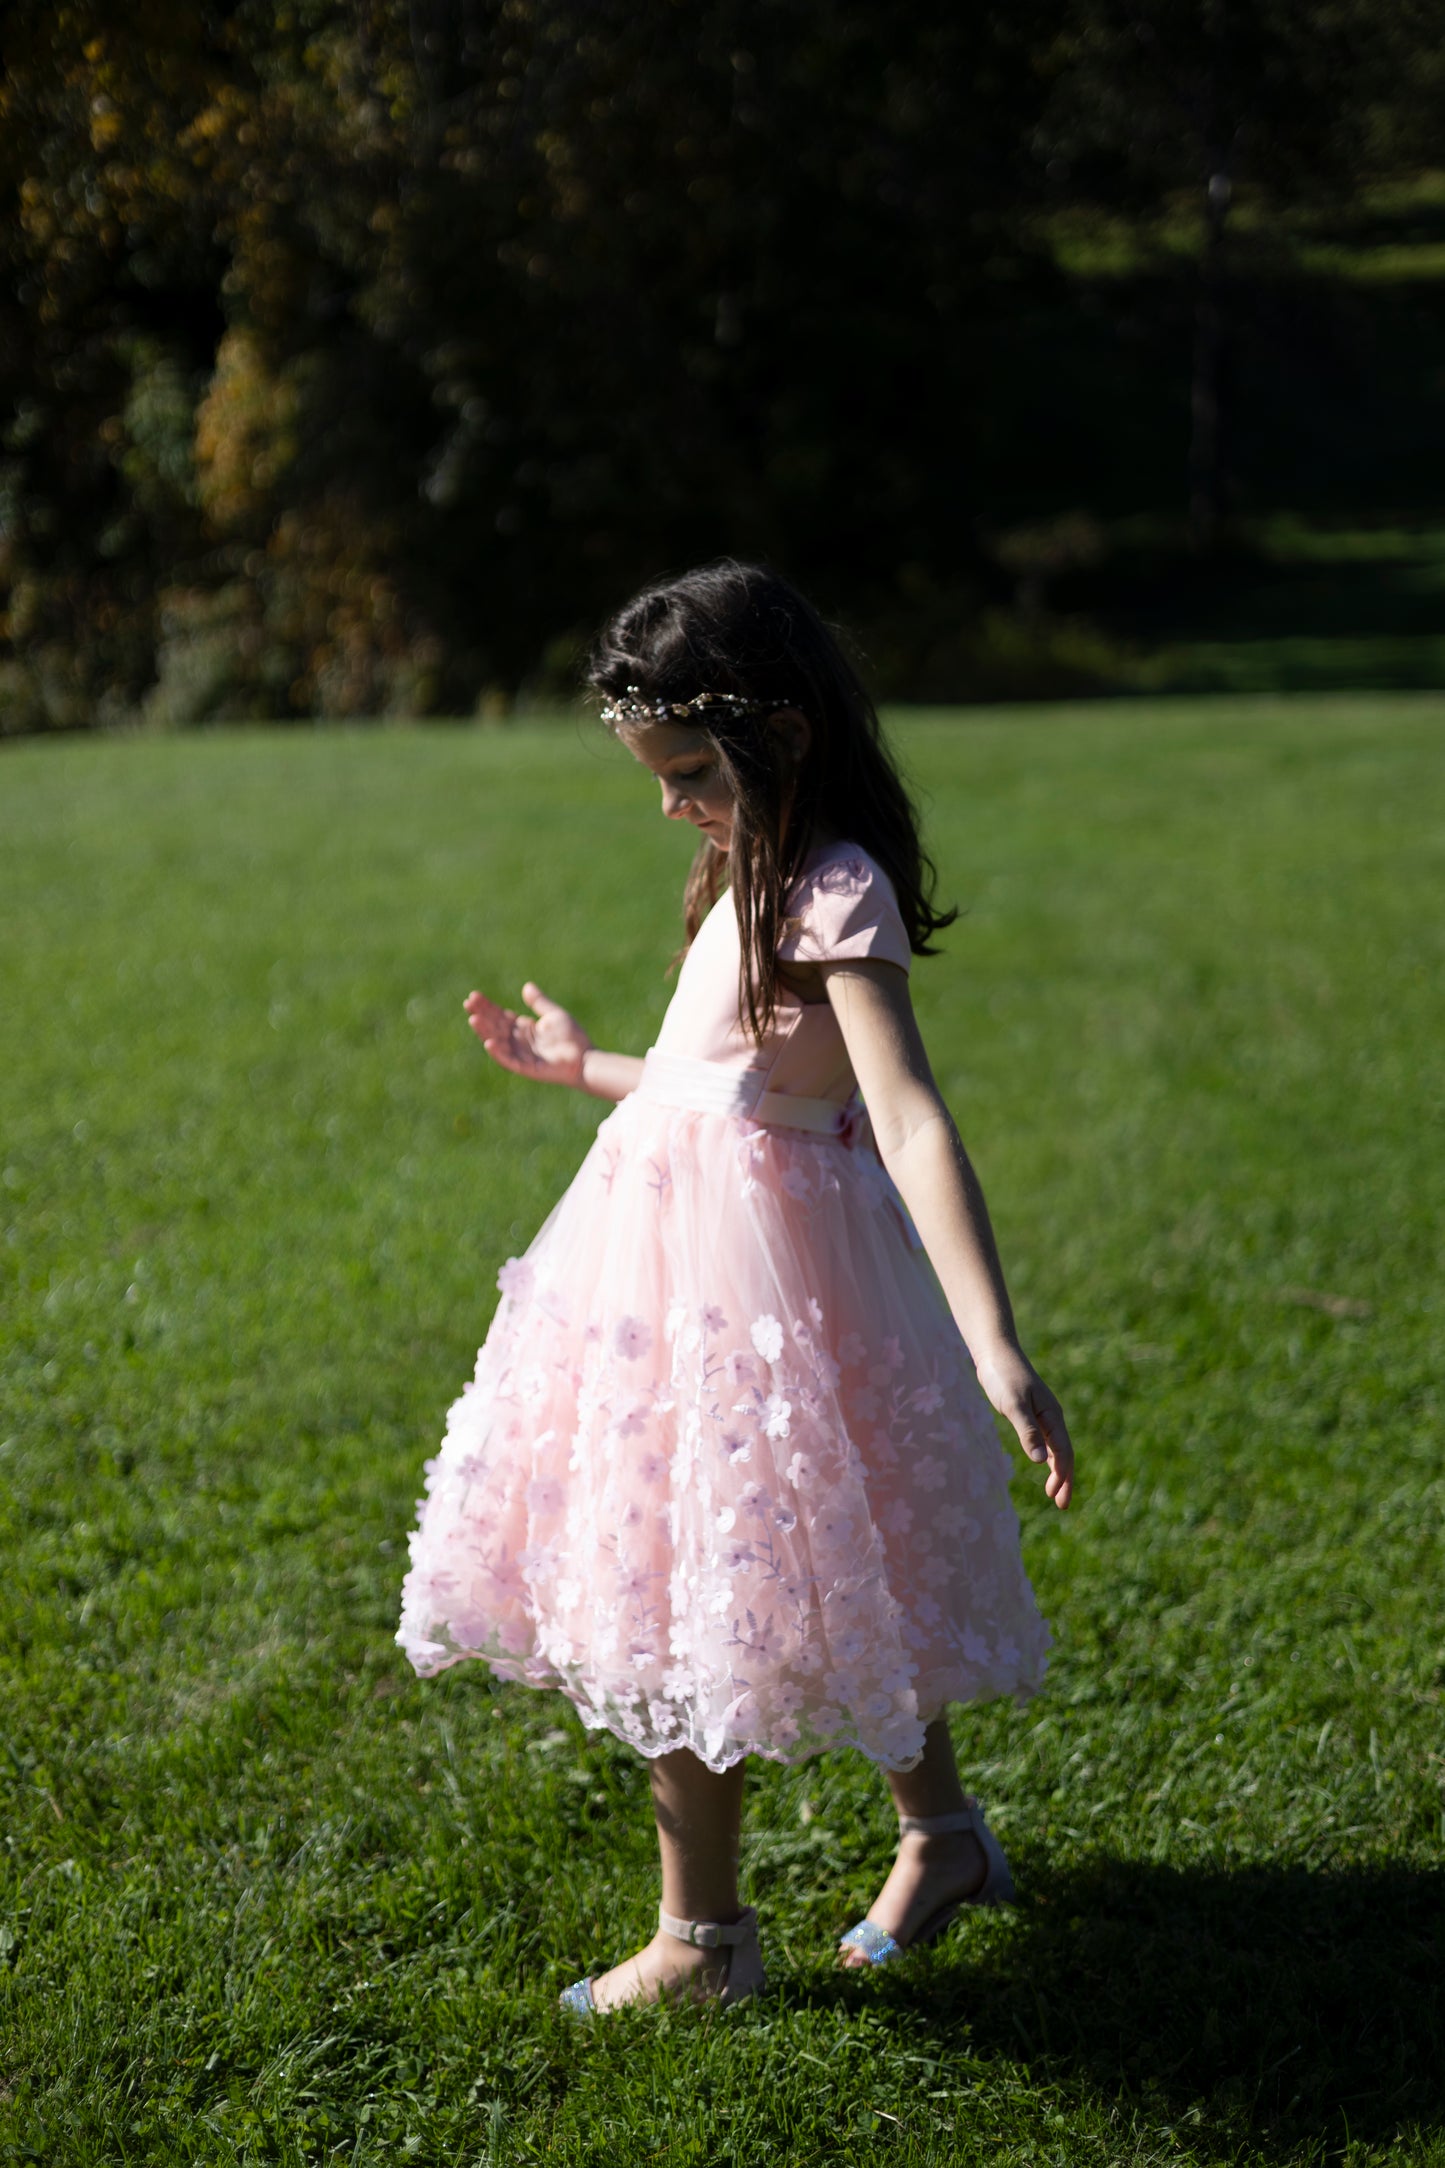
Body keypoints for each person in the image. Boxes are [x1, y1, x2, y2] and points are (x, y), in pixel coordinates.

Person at [396, 560, 1075, 2011]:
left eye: (688, 769)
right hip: (674, 1267)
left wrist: (994, 1342)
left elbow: (901, 1116)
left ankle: (700, 1942)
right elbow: (728, 1091)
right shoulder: (741, 866)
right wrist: (581, 1066)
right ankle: (942, 1839)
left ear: (784, 729)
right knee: (794, 1561)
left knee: (695, 1572)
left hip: (759, 1292)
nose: (667, 801)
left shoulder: (833, 887)